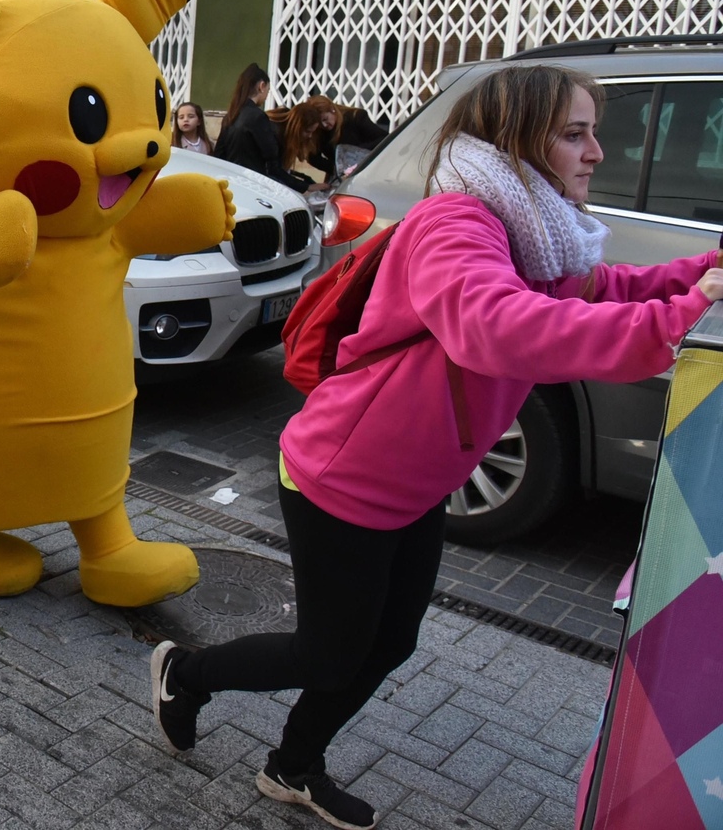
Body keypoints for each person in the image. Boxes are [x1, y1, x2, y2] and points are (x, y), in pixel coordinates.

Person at [149, 64, 723, 830]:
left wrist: (699, 275)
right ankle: (184, 675)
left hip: (416, 482)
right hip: (342, 477)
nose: (596, 153)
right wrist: (675, 321)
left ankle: (291, 766)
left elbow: (595, 288)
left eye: (595, 133)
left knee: (388, 644)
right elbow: (497, 325)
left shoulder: (534, 229)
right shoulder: (458, 225)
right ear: (518, 139)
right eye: (575, 134)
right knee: (329, 653)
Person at [213, 63, 309, 192]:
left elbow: (219, 154)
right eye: (268, 91)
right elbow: (272, 159)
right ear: (261, 86)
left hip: (231, 183)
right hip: (252, 185)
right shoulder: (257, 116)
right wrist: (303, 186)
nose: (266, 96)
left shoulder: (231, 115)